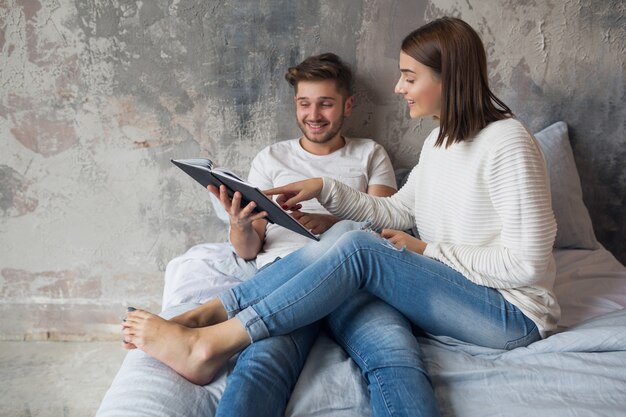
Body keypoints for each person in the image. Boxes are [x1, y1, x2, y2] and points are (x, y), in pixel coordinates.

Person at [122, 17, 560, 416]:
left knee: (358, 246)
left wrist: (427, 249)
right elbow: (397, 210)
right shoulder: (439, 144)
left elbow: (528, 265)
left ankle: (213, 334)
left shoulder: (508, 141)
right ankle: (207, 320)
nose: (398, 88)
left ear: (450, 79)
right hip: (452, 292)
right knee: (351, 239)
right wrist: (323, 189)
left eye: (409, 77)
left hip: (510, 316)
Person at [128, 53, 430, 417]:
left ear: (347, 105)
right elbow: (248, 249)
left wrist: (332, 224)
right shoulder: (272, 158)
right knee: (260, 365)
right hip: (286, 276)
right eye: (304, 104)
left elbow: (384, 224)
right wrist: (239, 223)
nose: (314, 115)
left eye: (326, 104)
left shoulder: (369, 154)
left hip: (358, 281)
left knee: (395, 354)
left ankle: (205, 320)